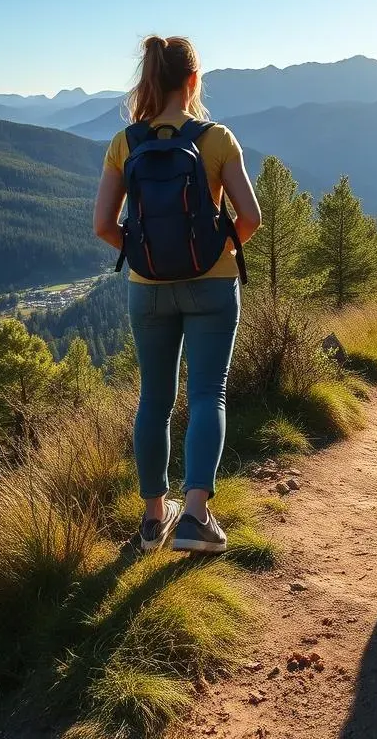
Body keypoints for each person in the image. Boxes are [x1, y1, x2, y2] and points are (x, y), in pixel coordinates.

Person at [93, 35, 261, 553]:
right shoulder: (215, 139)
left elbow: (103, 225)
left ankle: (151, 520)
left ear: (150, 79)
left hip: (147, 291)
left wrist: (144, 255)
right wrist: (211, 252)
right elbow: (250, 218)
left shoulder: (126, 143)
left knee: (155, 400)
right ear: (192, 81)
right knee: (209, 392)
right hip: (212, 284)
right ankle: (193, 517)